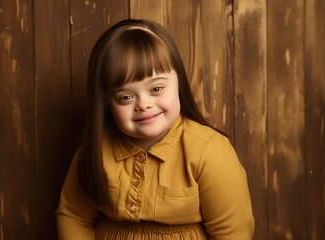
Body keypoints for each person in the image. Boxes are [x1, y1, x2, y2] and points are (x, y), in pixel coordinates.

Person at [56, 19, 254, 239]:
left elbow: (234, 233)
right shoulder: (96, 150)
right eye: (126, 97)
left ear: (178, 83)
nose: (143, 104)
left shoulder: (210, 152)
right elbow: (74, 216)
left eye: (156, 88)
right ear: (106, 104)